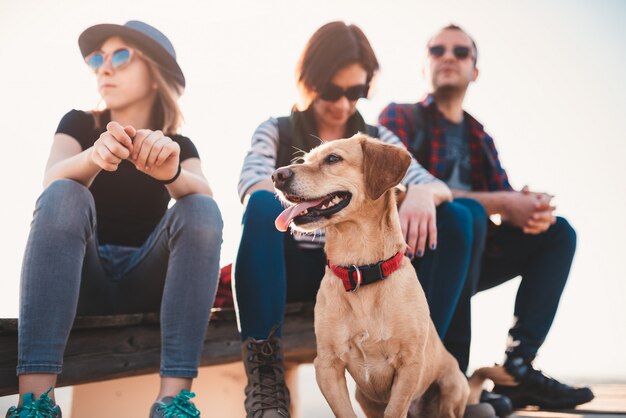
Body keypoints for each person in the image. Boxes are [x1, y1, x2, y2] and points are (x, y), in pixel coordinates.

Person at [235, 21, 495, 418]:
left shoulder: (377, 139)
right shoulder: (276, 130)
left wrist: (422, 192)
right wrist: (311, 193)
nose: (342, 104)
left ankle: (431, 372)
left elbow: (435, 183)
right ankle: (266, 381)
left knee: (459, 215)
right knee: (260, 206)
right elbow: (253, 183)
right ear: (309, 82)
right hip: (297, 269)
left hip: (376, 268)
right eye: (331, 90)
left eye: (355, 92)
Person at [7, 21, 223, 418]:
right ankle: (34, 405)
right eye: (97, 59)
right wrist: (94, 157)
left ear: (156, 73)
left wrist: (171, 174)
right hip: (80, 281)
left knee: (200, 207)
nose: (104, 68)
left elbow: (204, 196)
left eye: (120, 56)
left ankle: (172, 404)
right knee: (65, 191)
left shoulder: (179, 144)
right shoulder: (78, 124)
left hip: (146, 283)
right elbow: (51, 181)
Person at [379, 23, 595, 415]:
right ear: (424, 65)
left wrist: (528, 209)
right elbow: (393, 190)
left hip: (471, 255)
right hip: (413, 256)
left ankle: (517, 368)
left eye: (460, 52)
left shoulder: (479, 136)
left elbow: (503, 207)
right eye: (438, 50)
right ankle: (436, 375)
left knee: (558, 233)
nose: (448, 57)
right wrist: (499, 202)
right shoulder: (399, 117)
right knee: (468, 215)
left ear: (474, 71)